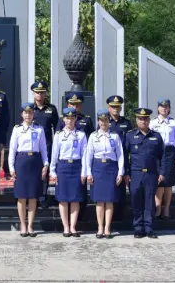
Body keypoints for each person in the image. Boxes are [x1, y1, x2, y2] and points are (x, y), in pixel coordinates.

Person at [124, 108, 166, 239]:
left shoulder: (156, 136)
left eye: (146, 119)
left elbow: (163, 156)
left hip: (151, 174)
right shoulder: (130, 136)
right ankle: (138, 228)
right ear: (136, 120)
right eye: (141, 119)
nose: (143, 121)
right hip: (135, 174)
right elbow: (124, 156)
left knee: (149, 202)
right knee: (136, 201)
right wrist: (126, 173)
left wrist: (162, 172)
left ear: (149, 120)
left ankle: (149, 228)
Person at [9, 103, 49, 237]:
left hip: (35, 162)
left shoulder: (39, 129)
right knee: (21, 196)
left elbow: (43, 148)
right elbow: (12, 149)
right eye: (26, 113)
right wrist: (11, 167)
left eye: (30, 112)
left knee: (33, 196)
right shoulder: (17, 129)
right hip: (21, 162)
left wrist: (45, 164)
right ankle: (23, 225)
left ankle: (30, 225)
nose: (28, 115)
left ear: (33, 114)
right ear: (22, 114)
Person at [84, 110, 125, 239]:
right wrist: (88, 173)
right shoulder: (93, 136)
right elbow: (88, 156)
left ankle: (107, 227)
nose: (104, 123)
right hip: (98, 168)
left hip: (111, 168)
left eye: (106, 120)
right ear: (98, 121)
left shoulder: (115, 136)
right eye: (101, 120)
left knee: (109, 200)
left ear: (109, 121)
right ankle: (100, 227)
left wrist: (120, 172)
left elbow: (120, 155)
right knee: (100, 201)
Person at [49, 107, 86, 237]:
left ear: (75, 119)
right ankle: (65, 227)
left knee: (75, 199)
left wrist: (84, 172)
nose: (69, 121)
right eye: (67, 118)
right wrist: (52, 171)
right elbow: (54, 154)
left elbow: (85, 155)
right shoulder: (59, 135)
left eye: (72, 118)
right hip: (63, 167)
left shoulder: (81, 135)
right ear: (63, 119)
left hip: (76, 166)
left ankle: (73, 227)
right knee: (63, 198)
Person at [149, 98, 175, 219]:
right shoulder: (152, 123)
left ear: (169, 108)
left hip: (170, 153)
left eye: (166, 107)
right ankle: (158, 207)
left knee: (168, 182)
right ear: (158, 108)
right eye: (162, 106)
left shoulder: (174, 123)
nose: (164, 109)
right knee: (158, 181)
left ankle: (166, 208)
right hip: (157, 152)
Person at [30, 80, 59, 208]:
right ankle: (33, 196)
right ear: (33, 93)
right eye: (37, 92)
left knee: (44, 171)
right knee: (33, 171)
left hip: (47, 144)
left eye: (42, 92)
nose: (40, 95)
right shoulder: (30, 109)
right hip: (33, 145)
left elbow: (57, 128)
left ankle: (42, 196)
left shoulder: (51, 109)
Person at [106, 95, 132, 220]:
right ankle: (110, 217)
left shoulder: (126, 123)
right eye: (113, 107)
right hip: (110, 160)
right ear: (109, 108)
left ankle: (120, 216)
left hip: (123, 159)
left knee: (121, 190)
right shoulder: (105, 122)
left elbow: (130, 143)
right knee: (110, 189)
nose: (115, 109)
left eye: (117, 107)